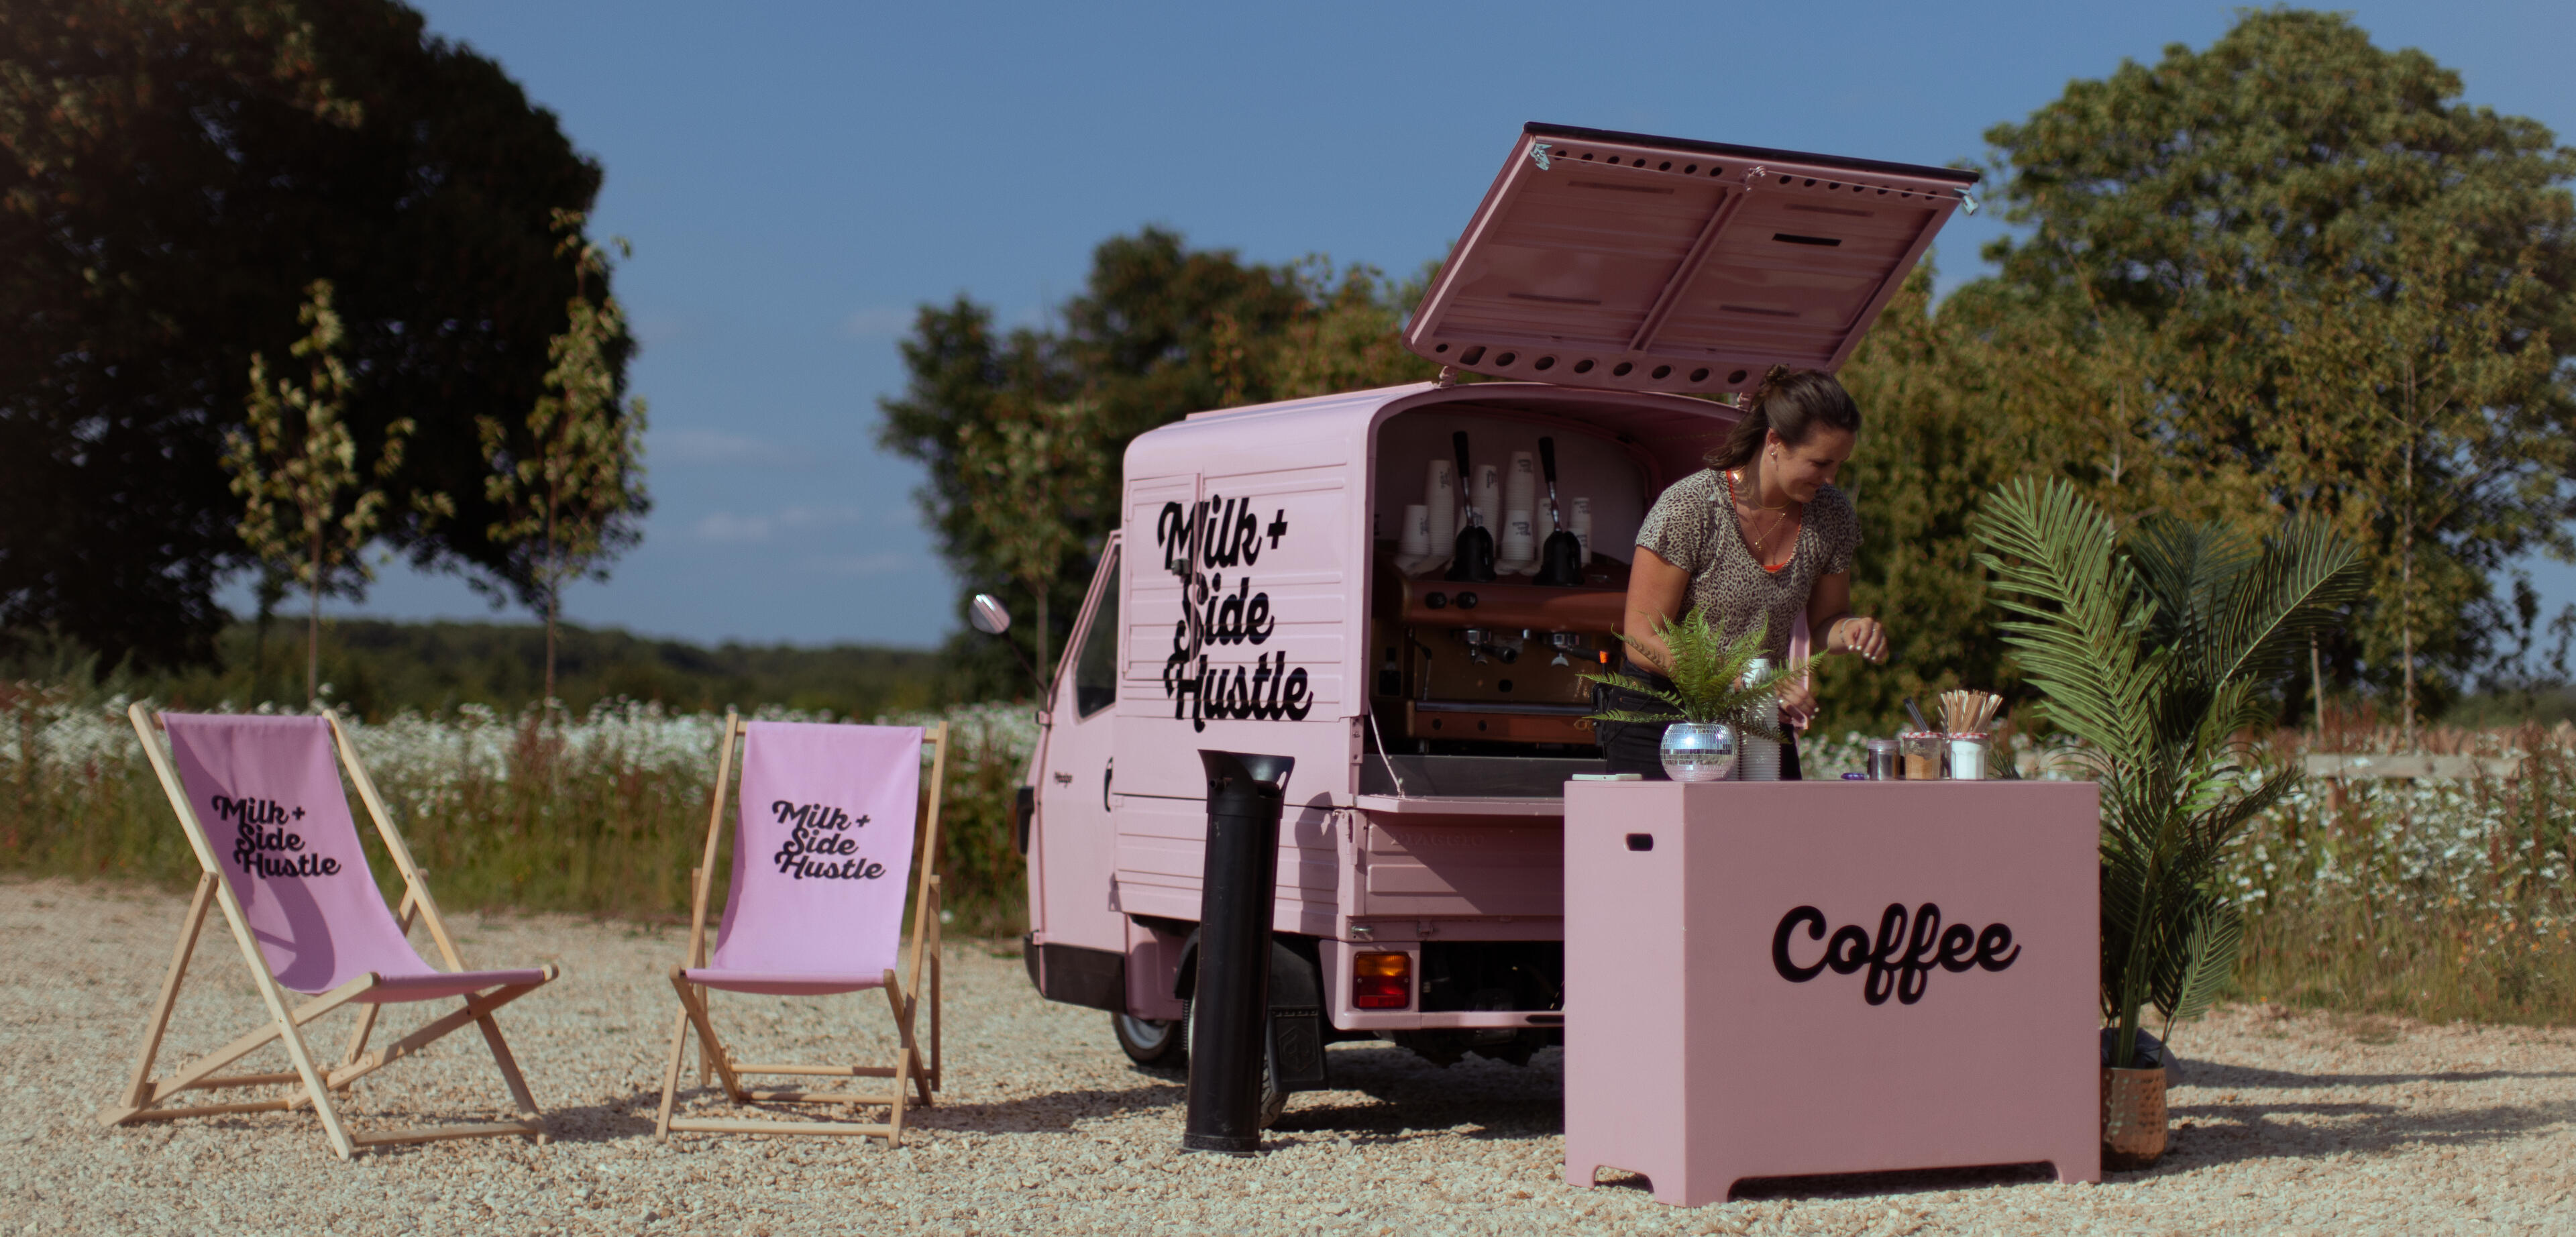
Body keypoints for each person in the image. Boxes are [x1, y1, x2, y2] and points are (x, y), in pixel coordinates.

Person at [1595, 365, 1890, 778]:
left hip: (1758, 721)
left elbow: (1826, 621)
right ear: (1775, 442)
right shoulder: (1690, 507)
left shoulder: (1833, 515)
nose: (1831, 478)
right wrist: (1736, 676)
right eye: (1820, 463)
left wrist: (1852, 630)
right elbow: (1642, 637)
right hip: (1663, 721)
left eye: (1839, 464)